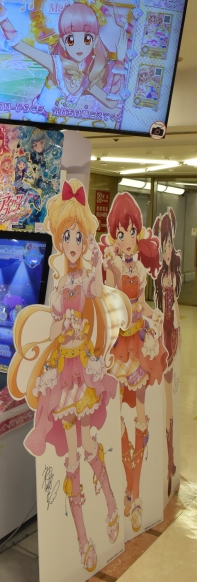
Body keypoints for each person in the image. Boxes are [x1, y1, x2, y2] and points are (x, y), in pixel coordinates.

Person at [8, 180, 131, 573]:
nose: (73, 242)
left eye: (78, 235)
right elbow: (55, 320)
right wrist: (60, 327)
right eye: (67, 236)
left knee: (89, 446)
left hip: (84, 372)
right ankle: (82, 540)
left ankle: (110, 504)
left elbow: (96, 293)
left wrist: (97, 263)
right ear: (60, 240)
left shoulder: (85, 276)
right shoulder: (60, 284)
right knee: (73, 457)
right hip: (64, 372)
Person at [101, 192, 167, 532]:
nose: (127, 238)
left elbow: (140, 304)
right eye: (121, 232)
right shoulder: (112, 267)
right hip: (119, 347)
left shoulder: (139, 267)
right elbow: (111, 305)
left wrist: (153, 316)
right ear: (114, 235)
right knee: (120, 422)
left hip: (138, 345)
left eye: (130, 231)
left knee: (140, 418)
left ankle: (136, 493)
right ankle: (126, 490)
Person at [0, 0, 127, 113]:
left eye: (87, 39)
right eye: (71, 39)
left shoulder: (86, 78)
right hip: (35, 124)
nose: (79, 47)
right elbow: (19, 45)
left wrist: (120, 61)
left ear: (95, 41)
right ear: (63, 42)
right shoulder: (56, 64)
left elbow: (111, 103)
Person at [153, 208, 182, 496]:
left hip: (171, 334)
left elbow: (173, 309)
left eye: (169, 244)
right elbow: (159, 306)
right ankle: (166, 457)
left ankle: (170, 458)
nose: (167, 249)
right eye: (164, 245)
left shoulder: (173, 274)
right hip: (162, 332)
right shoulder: (160, 275)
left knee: (169, 400)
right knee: (163, 398)